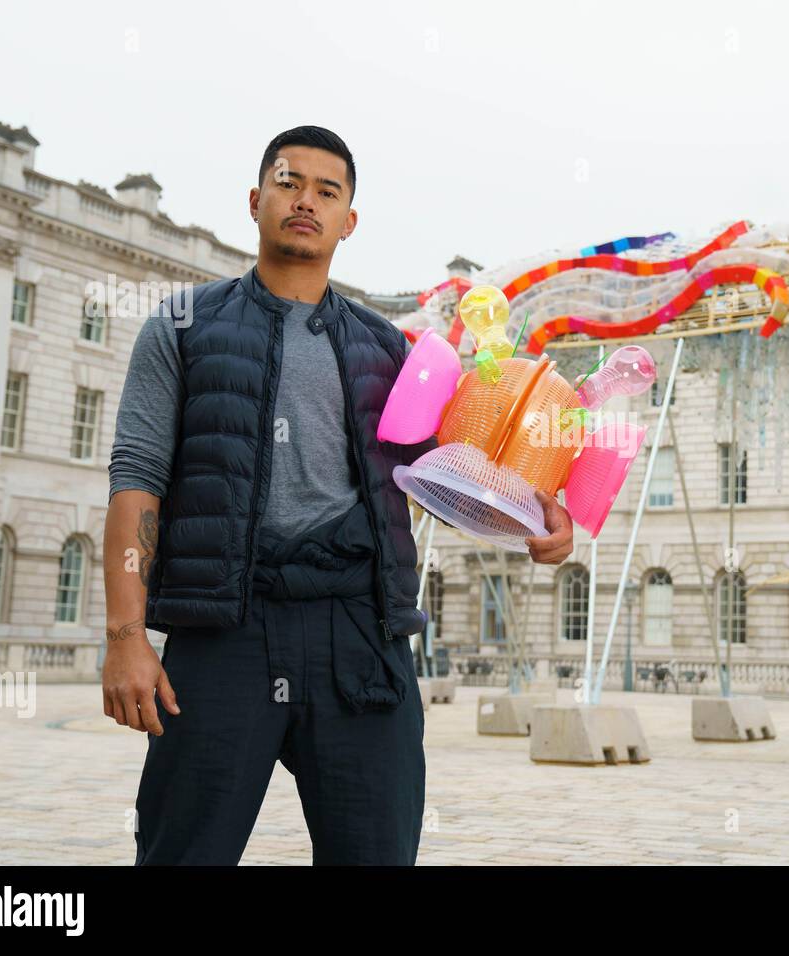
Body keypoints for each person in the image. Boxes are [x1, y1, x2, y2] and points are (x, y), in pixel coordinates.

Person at [101, 127, 574, 865]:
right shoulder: (183, 328)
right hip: (226, 629)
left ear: (349, 220)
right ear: (255, 200)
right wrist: (127, 637)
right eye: (289, 183)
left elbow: (451, 474)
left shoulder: (390, 352)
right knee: (180, 854)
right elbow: (137, 479)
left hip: (358, 629)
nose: (306, 201)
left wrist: (540, 517)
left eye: (329, 191)